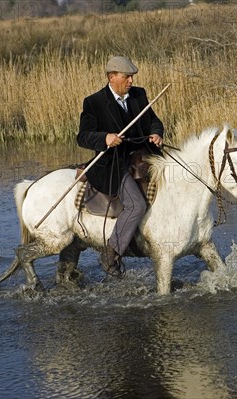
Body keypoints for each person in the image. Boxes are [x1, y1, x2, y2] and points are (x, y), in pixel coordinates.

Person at [77, 56, 164, 277]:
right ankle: (111, 253)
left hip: (143, 158)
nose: (131, 81)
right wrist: (105, 138)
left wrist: (156, 133)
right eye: (126, 77)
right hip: (113, 166)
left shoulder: (139, 95)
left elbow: (154, 120)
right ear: (112, 77)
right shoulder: (94, 102)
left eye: (132, 76)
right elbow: (83, 137)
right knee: (136, 205)